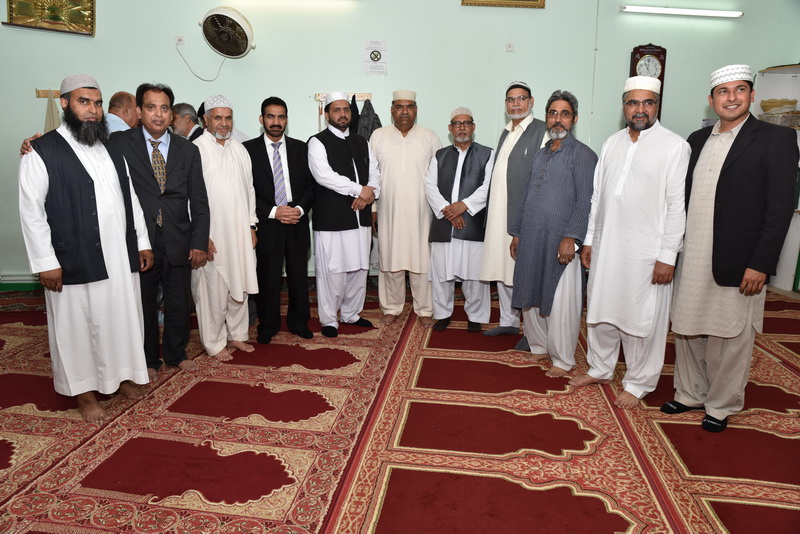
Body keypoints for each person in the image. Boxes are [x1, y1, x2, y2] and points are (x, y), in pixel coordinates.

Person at [664, 65, 798, 432]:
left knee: (731, 332)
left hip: (741, 257)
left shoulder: (776, 139)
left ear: (752, 95)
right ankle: (690, 392)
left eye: (740, 90)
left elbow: (780, 210)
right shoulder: (696, 139)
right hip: (693, 252)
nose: (732, 97)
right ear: (711, 100)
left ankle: (721, 404)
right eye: (723, 91)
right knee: (689, 327)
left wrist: (761, 263)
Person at [18, 74, 153, 423]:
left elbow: (131, 199)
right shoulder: (41, 151)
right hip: (72, 256)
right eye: (83, 102)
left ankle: (121, 377)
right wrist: (45, 261)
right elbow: (31, 211)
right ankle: (84, 393)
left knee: (120, 318)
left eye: (97, 103)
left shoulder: (111, 148)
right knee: (76, 326)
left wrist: (141, 241)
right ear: (65, 104)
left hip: (118, 254)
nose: (92, 110)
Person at [570, 76, 690, 409]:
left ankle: (638, 382)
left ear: (657, 106)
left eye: (647, 102)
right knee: (601, 310)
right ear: (623, 106)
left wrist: (668, 256)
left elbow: (676, 206)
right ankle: (600, 367)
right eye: (633, 102)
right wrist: (590, 240)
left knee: (641, 319)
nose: (640, 109)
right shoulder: (611, 143)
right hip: (607, 244)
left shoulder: (674, 146)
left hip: (647, 251)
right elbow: (597, 198)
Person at [111, 83, 210, 378]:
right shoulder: (118, 143)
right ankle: (147, 359)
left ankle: (176, 354)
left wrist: (199, 241)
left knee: (179, 303)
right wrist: (34, 145)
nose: (158, 114)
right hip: (141, 241)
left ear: (172, 114)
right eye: (151, 107)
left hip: (179, 239)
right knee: (142, 304)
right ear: (139, 111)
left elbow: (199, 200)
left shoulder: (188, 150)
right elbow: (80, 149)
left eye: (164, 108)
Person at [510, 90, 597, 377]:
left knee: (560, 301)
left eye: (564, 114)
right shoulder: (541, 153)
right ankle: (539, 345)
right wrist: (517, 232)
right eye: (553, 113)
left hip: (561, 239)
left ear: (575, 119)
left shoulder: (583, 154)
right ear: (546, 117)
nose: (558, 119)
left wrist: (571, 237)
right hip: (532, 234)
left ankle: (562, 359)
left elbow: (585, 200)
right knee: (530, 289)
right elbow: (526, 195)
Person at [308, 91, 381, 338]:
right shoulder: (317, 142)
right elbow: (324, 176)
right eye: (337, 110)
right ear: (327, 114)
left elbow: (375, 173)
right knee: (333, 271)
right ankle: (329, 319)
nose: (342, 114)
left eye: (346, 110)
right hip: (332, 218)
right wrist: (359, 190)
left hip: (360, 216)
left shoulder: (362, 142)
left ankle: (351, 313)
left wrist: (369, 194)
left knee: (359, 268)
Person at [191, 95, 259, 361]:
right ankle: (214, 342)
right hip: (212, 234)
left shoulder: (240, 150)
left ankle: (237, 334)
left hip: (240, 232)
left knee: (240, 285)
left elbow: (250, 190)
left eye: (228, 118)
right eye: (218, 118)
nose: (223, 123)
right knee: (213, 290)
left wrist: (251, 225)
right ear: (205, 120)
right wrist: (200, 236)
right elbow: (189, 197)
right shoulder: (196, 149)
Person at [244, 97, 315, 344]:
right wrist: (275, 211)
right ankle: (268, 325)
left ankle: (298, 322)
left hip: (296, 221)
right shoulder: (247, 150)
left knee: (298, 277)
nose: (276, 122)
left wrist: (300, 209)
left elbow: (311, 186)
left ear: (287, 119)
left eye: (281, 116)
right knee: (268, 278)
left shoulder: (300, 148)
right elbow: (246, 190)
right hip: (267, 223)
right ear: (261, 119)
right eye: (271, 116)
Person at [480, 81, 547, 340]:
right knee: (502, 267)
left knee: (524, 271)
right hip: (499, 216)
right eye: (510, 99)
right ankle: (508, 321)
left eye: (521, 98)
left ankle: (533, 333)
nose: (515, 103)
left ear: (531, 102)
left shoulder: (541, 131)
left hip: (523, 216)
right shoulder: (506, 132)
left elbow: (542, 179)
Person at [370, 90, 442, 327]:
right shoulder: (378, 136)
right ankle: (391, 307)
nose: (404, 111)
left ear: (416, 110)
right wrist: (373, 208)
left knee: (422, 260)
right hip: (388, 209)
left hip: (422, 211)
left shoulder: (430, 137)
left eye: (409, 106)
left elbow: (439, 176)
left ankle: (425, 309)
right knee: (391, 258)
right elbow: (372, 175)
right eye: (399, 106)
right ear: (391, 110)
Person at [424, 107, 493, 333]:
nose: (462, 127)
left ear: (473, 127)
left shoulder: (488, 154)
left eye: (466, 123)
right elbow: (429, 185)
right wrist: (448, 211)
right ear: (450, 128)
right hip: (444, 222)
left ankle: (476, 316)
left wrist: (464, 206)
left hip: (473, 221)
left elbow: (489, 186)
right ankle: (442, 314)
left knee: (475, 274)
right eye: (457, 123)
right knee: (442, 273)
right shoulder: (439, 155)